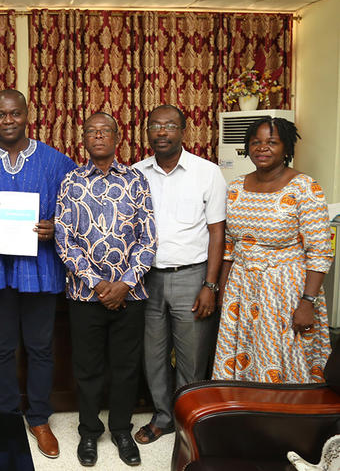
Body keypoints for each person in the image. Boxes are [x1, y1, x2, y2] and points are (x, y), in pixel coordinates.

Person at [0, 89, 76, 459]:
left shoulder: (55, 162)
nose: (8, 121)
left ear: (26, 115)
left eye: (15, 114)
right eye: (1, 115)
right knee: (1, 348)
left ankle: (38, 418)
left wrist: (55, 226)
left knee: (40, 348)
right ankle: (7, 417)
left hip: (40, 269)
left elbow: (75, 211)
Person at [55, 112, 156, 468]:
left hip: (131, 294)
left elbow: (148, 239)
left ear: (117, 137)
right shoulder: (71, 182)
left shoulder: (136, 180)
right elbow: (63, 239)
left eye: (105, 131)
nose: (98, 136)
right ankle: (88, 431)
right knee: (87, 368)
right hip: (86, 294)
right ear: (83, 139)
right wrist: (97, 283)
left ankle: (122, 430)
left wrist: (124, 283)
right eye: (91, 132)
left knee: (127, 367)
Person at [212, 118, 333, 383]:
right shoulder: (235, 187)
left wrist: (307, 302)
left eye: (271, 142)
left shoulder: (304, 187)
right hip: (241, 287)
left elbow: (320, 251)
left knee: (283, 354)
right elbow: (230, 247)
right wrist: (222, 292)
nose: (262, 148)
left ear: (286, 148)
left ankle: (286, 416)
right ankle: (246, 413)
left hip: (285, 289)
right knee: (243, 349)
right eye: (256, 142)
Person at [132, 105, 226, 445]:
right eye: (154, 125)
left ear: (183, 131)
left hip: (192, 276)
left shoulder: (208, 172)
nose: (162, 131)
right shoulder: (135, 173)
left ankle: (191, 419)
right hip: (148, 280)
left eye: (169, 125)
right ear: (147, 132)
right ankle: (163, 417)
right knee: (153, 354)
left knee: (192, 356)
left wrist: (210, 285)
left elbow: (218, 232)